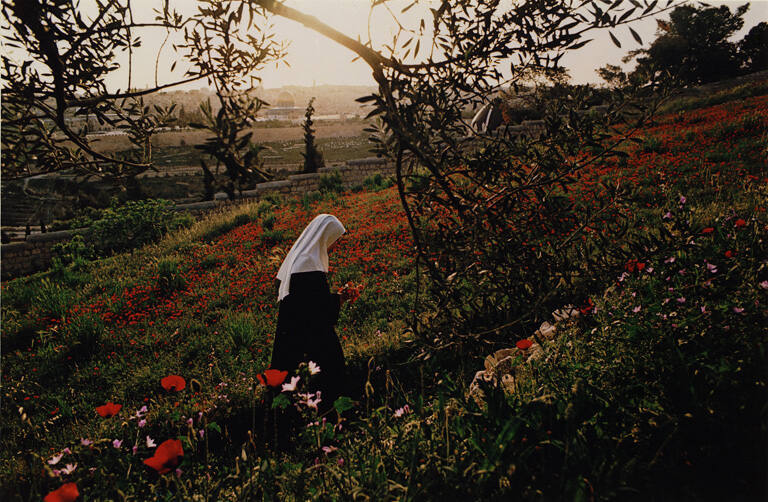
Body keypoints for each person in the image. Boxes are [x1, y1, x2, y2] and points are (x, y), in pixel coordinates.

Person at [270, 214, 356, 409]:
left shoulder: (303, 262)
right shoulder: (308, 266)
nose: (334, 246)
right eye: (335, 241)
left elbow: (313, 303)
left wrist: (338, 297)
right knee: (325, 380)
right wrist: (339, 299)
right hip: (309, 338)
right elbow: (318, 311)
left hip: (300, 333)